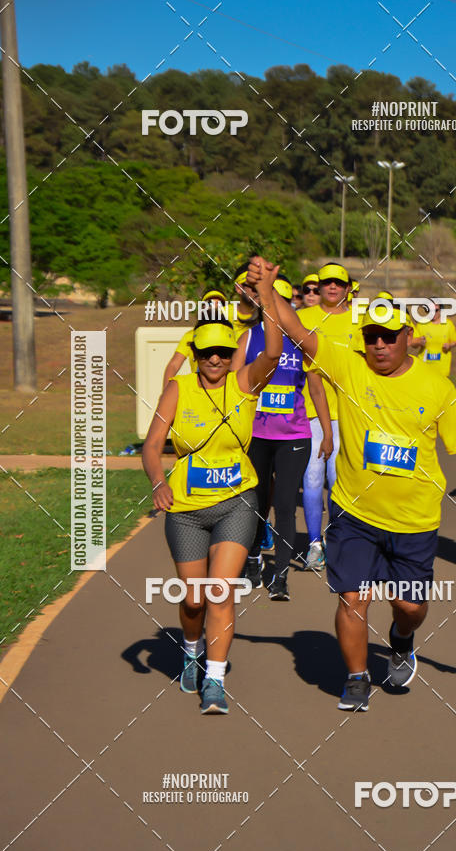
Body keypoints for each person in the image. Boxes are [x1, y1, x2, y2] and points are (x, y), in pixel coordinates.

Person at [265, 257, 456, 712]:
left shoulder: (435, 386)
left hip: (414, 520)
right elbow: (297, 331)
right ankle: (355, 678)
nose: (381, 345)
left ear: (408, 336)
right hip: (355, 512)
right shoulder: (348, 368)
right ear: (363, 339)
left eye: (390, 336)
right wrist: (270, 290)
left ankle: (402, 640)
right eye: (372, 337)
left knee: (409, 607)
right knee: (353, 598)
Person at [142, 263, 282, 714]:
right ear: (196, 354)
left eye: (223, 352)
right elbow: (151, 446)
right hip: (185, 508)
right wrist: (158, 482)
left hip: (237, 503)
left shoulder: (245, 385)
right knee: (194, 597)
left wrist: (266, 296)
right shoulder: (178, 390)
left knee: (221, 591)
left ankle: (215, 681)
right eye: (208, 354)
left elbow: (275, 352)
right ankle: (190, 648)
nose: (216, 360)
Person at [235, 275, 312, 600]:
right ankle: (252, 561)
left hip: (294, 434)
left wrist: (325, 431)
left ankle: (279, 577)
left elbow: (317, 387)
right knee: (256, 503)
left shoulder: (302, 343)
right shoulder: (248, 338)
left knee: (284, 504)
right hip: (256, 435)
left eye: (280, 306)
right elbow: (233, 383)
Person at [298, 263, 359, 570]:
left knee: (338, 482)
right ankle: (314, 544)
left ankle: (337, 540)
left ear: (348, 287)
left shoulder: (359, 320)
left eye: (339, 282)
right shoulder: (303, 318)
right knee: (312, 479)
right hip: (310, 413)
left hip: (350, 414)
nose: (333, 287)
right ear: (318, 287)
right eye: (326, 283)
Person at [410, 302, 456, 377]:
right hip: (425, 367)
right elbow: (412, 343)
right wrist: (419, 342)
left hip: (442, 369)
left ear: (440, 310)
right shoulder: (421, 324)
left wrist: (449, 345)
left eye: (436, 310)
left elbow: (455, 341)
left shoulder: (448, 324)